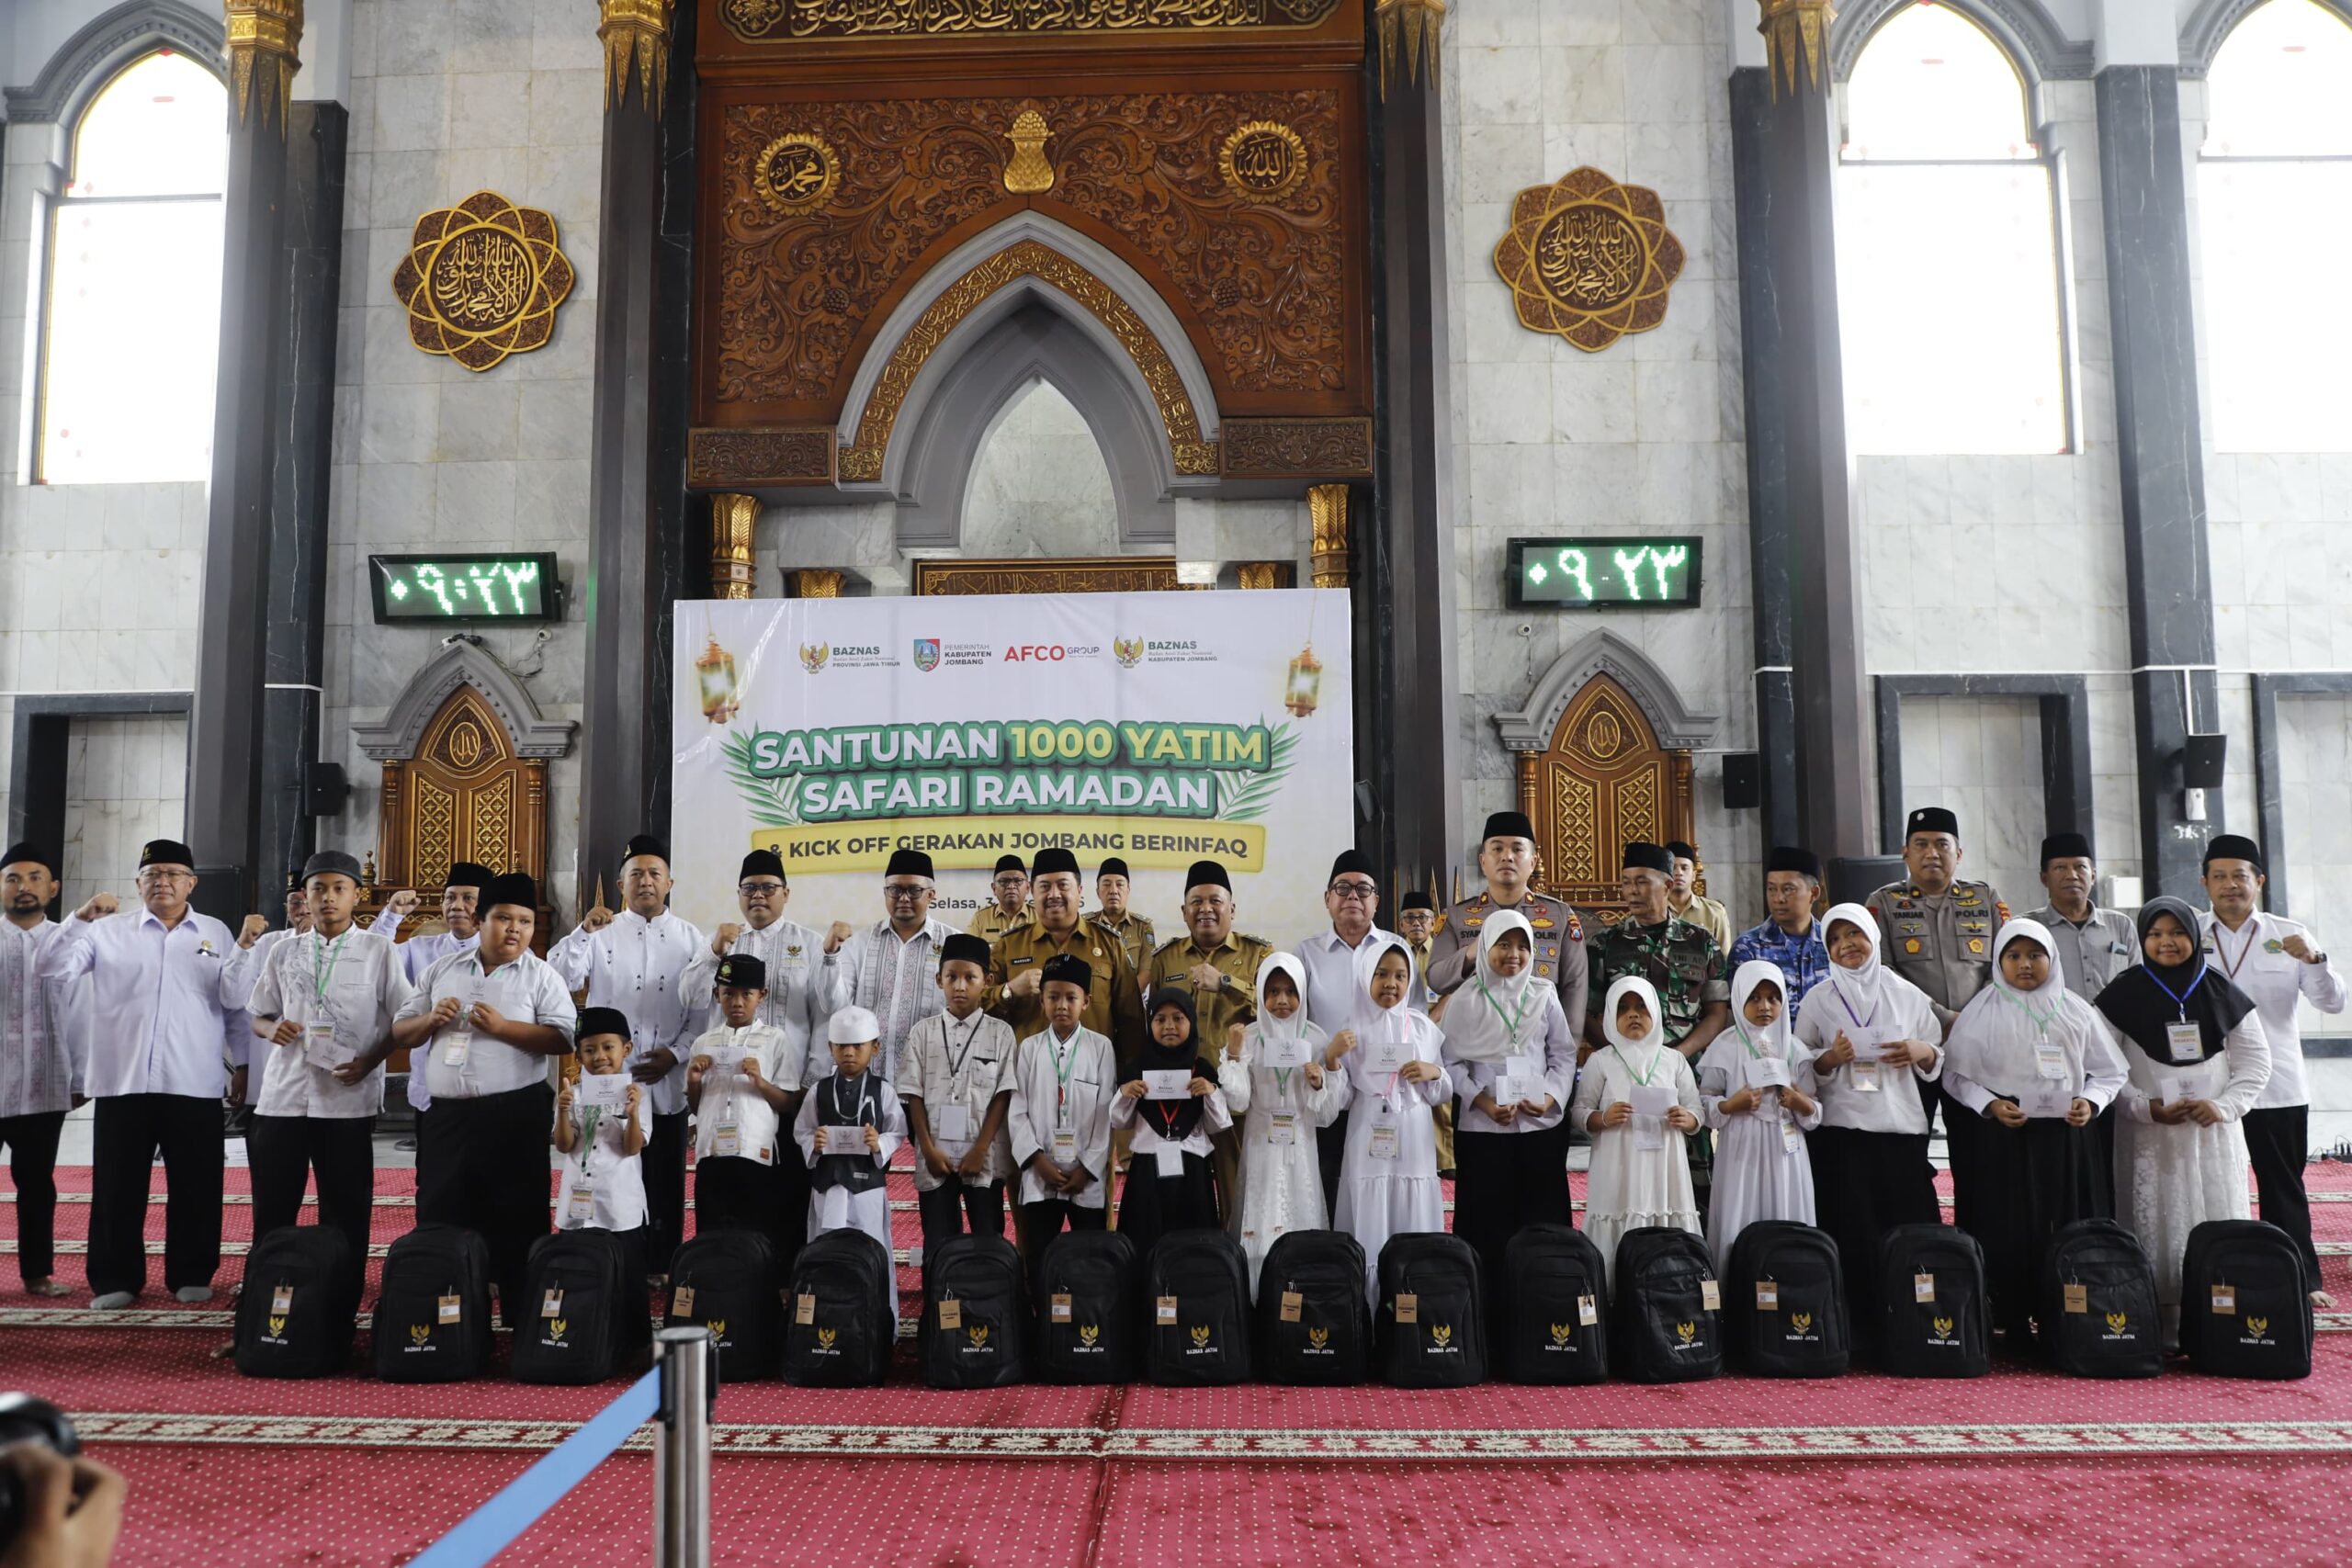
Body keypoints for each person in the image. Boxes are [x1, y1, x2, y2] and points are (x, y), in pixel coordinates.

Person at [40, 839, 241, 1308]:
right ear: (138, 883)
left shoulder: (215, 933)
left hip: (193, 1079)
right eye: (152, 875)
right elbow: (51, 972)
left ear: (192, 882)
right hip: (123, 1079)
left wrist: (245, 1064)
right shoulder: (107, 931)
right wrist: (79, 920)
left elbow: (234, 1006)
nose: (162, 882)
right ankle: (115, 1279)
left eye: (172, 873)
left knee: (197, 1185)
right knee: (116, 1186)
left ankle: (191, 1272)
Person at [385, 872, 575, 1322]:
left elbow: (564, 1038)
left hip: (513, 1114)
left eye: (525, 922)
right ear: (479, 919)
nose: (515, 929)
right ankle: (444, 1317)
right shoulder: (442, 970)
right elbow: (400, 1031)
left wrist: (503, 1028)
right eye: (504, 918)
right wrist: (431, 1021)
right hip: (448, 1116)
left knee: (517, 1213)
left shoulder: (541, 975)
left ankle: (518, 1315)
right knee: (440, 1208)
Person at [1941, 919, 2127, 1344]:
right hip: (2007, 1135)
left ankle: (2069, 1313)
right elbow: (1954, 1076)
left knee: (2067, 1223)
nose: (2025, 965)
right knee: (2006, 1225)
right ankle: (2011, 1314)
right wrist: (1988, 1104)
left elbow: (2112, 1072)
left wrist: (2091, 1101)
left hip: (2066, 1136)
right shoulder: (1982, 1009)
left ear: (2052, 958)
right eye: (2014, 956)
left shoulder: (2076, 1008)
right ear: (1999, 961)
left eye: (2035, 955)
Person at [2093, 897, 2270, 1338]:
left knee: (2215, 1216)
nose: (2166, 942)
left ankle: (2219, 1323)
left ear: (2194, 936)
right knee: (2154, 1219)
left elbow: (2256, 1063)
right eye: (2155, 934)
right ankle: (2158, 1323)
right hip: (2149, 1137)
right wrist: (2143, 1106)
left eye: (2176, 933)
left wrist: (2223, 1106)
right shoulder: (2121, 993)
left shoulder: (2220, 990)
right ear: (2142, 938)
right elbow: (2101, 1065)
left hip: (2212, 1134)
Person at [241, 850, 413, 1269]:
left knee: (346, 1212)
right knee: (273, 1209)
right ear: (306, 896)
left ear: (357, 895)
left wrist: (370, 1061)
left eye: (340, 889)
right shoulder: (283, 951)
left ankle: (339, 1304)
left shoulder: (380, 951)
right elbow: (258, 1015)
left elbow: (404, 1020)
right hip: (283, 1098)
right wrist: (271, 1029)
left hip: (345, 1100)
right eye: (319, 889)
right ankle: (266, 1305)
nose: (329, 898)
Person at [2199, 833, 2346, 1307]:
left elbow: (2333, 1002)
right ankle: (2211, 1274)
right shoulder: (2186, 933)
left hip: (2277, 1085)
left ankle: (2304, 1279)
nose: (2229, 886)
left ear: (2259, 881)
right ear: (2204, 882)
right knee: (2207, 1182)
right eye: (2219, 876)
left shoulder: (2289, 934)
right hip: (2209, 1083)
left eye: (2239, 876)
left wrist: (2316, 960)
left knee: (2283, 1183)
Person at [549, 834, 706, 1276]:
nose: (646, 881)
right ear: (621, 883)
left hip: (665, 1077)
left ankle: (663, 1262)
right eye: (636, 873)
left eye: (655, 873)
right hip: (607, 1080)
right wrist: (582, 931)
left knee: (664, 1176)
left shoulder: (691, 938)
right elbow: (560, 974)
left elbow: (700, 1014)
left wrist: (675, 1055)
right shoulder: (600, 933)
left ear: (670, 882)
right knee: (610, 1166)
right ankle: (614, 1257)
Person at [1792, 903, 1945, 1337]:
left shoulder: (1907, 993)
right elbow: (1802, 1067)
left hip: (1898, 1132)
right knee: (1852, 1232)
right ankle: (1858, 1328)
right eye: (1836, 939)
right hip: (1842, 1135)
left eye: (1854, 935)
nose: (1847, 946)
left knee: (1906, 1233)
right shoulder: (1818, 999)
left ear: (1873, 937)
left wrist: (1920, 1051)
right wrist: (1830, 1058)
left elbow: (1936, 1057)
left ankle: (1916, 1325)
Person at [1866, 807, 2011, 1243]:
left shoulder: (1985, 899)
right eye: (1922, 844)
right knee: (1909, 1156)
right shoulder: (1884, 903)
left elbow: (2006, 963)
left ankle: (1978, 1255)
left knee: (1981, 1157)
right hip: (1913, 1049)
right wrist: (1946, 1019)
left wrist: (1974, 1021)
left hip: (1978, 1050)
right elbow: (1884, 974)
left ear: (1959, 852)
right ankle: (1917, 1249)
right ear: (1905, 853)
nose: (1932, 853)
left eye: (1941, 844)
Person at [1439, 911, 1577, 1315]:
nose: (1513, 955)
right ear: (1484, 947)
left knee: (1542, 1224)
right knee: (1486, 1227)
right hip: (1483, 1131)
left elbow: (1564, 1055)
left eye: (1521, 946)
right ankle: (1486, 1319)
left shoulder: (1543, 993)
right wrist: (1481, 1102)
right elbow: (1450, 1062)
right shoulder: (1465, 998)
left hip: (1539, 1128)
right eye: (1503, 944)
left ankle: (1544, 1313)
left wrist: (1550, 1098)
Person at [1587, 841, 1730, 1217]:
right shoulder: (1606, 944)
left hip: (1685, 1079)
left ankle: (1695, 1261)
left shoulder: (1702, 943)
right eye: (1626, 882)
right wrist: (1620, 1059)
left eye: (1642, 882)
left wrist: (1675, 1058)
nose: (1632, 891)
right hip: (1624, 1083)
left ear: (1667, 886)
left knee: (1695, 1176)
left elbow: (1717, 1011)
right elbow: (1589, 1011)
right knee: (1629, 1177)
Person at [1145, 859, 1270, 1215]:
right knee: (1183, 1192)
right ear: (1184, 911)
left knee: (1238, 1193)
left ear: (1232, 907)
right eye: (1196, 902)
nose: (1206, 909)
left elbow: (1278, 1011)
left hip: (1235, 1097)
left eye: (1215, 900)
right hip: (1179, 1095)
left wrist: (1226, 983)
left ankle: (1237, 1263)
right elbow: (1153, 1023)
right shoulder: (1166, 958)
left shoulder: (1258, 954)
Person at [1330, 935, 1449, 1303]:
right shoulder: (1351, 1028)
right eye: (1381, 974)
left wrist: (1433, 1072)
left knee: (1408, 1209)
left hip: (1412, 1137)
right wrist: (1332, 1058)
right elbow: (1341, 1099)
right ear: (1366, 976)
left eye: (1400, 976)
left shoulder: (1423, 1027)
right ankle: (1366, 1308)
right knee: (1371, 1209)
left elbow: (1442, 1091)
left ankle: (1415, 1302)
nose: (1391, 984)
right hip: (1367, 1134)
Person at [1295, 851, 1412, 1219]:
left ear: (1377, 900)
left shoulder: (1396, 949)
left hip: (1382, 1095)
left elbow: (1414, 1017)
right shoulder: (1306, 953)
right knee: (1327, 1183)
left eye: (1363, 889)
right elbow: (1295, 1021)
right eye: (1342, 888)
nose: (1353, 897)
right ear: (1327, 899)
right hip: (1328, 1093)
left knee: (1379, 1192)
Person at [1222, 952, 1346, 1291]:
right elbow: (1237, 1100)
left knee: (1299, 1212)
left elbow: (1326, 1115)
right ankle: (1255, 1295)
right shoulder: (1248, 1036)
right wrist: (1233, 1056)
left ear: (1303, 994)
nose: (1282, 1001)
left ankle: (1302, 1291)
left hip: (1300, 1142)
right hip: (1261, 1139)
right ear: (1261, 993)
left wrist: (1319, 1082)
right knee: (1258, 1218)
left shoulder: (1317, 1038)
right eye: (1273, 991)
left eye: (1291, 992)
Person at [1573, 976, 1702, 1286]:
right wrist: (1603, 1117)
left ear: (1656, 1013)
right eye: (1624, 1008)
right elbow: (1579, 1113)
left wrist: (1688, 1119)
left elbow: (1697, 1110)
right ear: (1609, 1016)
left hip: (1664, 1167)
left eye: (1641, 1007)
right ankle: (1615, 1294)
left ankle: (1669, 1290)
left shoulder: (1674, 1061)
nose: (1633, 1014)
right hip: (1618, 1166)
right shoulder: (1600, 1061)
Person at [1006, 953, 1118, 1295]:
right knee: (1040, 1258)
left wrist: (1087, 1168)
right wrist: (1037, 1161)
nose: (1062, 1006)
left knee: (1091, 1259)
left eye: (1071, 997)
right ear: (1041, 1001)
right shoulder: (1029, 1049)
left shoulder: (1101, 1048)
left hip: (1086, 1176)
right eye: (1053, 997)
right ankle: (1044, 1329)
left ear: (1086, 1001)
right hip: (1041, 1174)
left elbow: (1106, 1115)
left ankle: (1090, 1327)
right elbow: (1017, 1111)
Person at [1698, 961, 1821, 1271]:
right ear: (1738, 999)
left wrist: (1798, 1101)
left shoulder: (1794, 1048)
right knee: (1740, 1213)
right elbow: (1704, 1104)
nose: (1764, 1006)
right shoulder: (1724, 1046)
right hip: (1742, 1147)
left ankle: (1792, 1294)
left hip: (1787, 1150)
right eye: (1753, 998)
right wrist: (1730, 1105)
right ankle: (1737, 1289)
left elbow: (1814, 1110)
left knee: (1786, 1214)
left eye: (1773, 998)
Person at [685, 954, 806, 1267]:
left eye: (746, 994)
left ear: (761, 996)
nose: (737, 1002)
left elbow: (787, 1102)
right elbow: (695, 1105)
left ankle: (754, 1301)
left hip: (755, 1151)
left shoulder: (775, 1039)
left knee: (755, 1232)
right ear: (717, 996)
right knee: (711, 1232)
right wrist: (693, 1079)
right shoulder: (704, 1041)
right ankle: (715, 1298)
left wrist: (760, 1081)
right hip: (711, 1150)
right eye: (728, 994)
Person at [900, 933, 1018, 1251]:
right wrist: (926, 1148)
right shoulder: (922, 1032)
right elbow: (913, 1094)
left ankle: (988, 1302)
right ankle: (940, 1302)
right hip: (935, 1156)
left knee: (988, 1240)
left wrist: (980, 1148)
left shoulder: (1001, 1033)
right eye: (952, 977)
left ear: (987, 981)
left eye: (970, 977)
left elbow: (1003, 1095)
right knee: (938, 1242)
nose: (960, 986)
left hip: (983, 1158)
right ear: (939, 980)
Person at [679, 851, 834, 1085]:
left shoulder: (810, 943)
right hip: (725, 1079)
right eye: (749, 888)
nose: (758, 895)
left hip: (789, 1081)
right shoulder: (718, 941)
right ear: (739, 894)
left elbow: (823, 1017)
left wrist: (812, 1080)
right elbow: (689, 999)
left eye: (768, 888)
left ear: (786, 893)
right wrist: (714, 953)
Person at [1428, 810, 1589, 1032]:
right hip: (1474, 1042)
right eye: (1497, 848)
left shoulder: (1560, 916)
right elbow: (1436, 979)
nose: (1507, 856)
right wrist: (1473, 952)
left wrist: (1566, 1052)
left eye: (1517, 849)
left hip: (1538, 1043)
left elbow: (1575, 988)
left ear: (1533, 862)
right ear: (1483, 862)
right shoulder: (1456, 916)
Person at [0, 844, 78, 1297]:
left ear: (53, 887)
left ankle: (36, 1274)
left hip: (44, 1083)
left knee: (36, 1184)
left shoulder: (70, 942)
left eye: (33, 878)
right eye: (13, 878)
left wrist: (82, 1077)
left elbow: (87, 1014)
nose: (23, 887)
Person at [986, 848, 1147, 1057]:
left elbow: (1131, 1022)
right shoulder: (1009, 945)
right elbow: (976, 1007)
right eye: (1045, 886)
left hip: (1095, 1077)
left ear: (1079, 890)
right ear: (1032, 891)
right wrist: (1009, 991)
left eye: (1063, 885)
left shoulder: (1110, 944)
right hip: (1028, 1077)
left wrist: (1128, 1077)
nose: (1054, 895)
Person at [369, 861, 493, 1129]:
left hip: (486, 1083)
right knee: (431, 1167)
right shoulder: (419, 949)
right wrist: (392, 916)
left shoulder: (503, 953)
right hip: (431, 1082)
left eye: (468, 898)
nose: (456, 905)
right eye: (450, 897)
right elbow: (372, 960)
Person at [1111, 989, 1231, 1263]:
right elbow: (1120, 1121)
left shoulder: (1202, 1069)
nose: (1169, 1026)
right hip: (1147, 1171)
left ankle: (1192, 1300)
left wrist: (1210, 1091)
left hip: (1193, 1171)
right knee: (1144, 1243)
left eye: (1178, 1018)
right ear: (1149, 1024)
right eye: (1160, 1019)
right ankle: (1145, 1302)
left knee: (1193, 1248)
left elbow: (1218, 1125)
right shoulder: (1137, 1068)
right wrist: (1125, 1094)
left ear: (1191, 1022)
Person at [820, 848, 957, 1085]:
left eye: (914, 890)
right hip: (869, 1082)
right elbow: (833, 1005)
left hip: (929, 1081)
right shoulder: (861, 942)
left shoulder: (952, 943)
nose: (903, 898)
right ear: (885, 893)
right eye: (895, 890)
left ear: (931, 895)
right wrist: (831, 954)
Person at [794, 1006, 906, 1255]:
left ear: (874, 1048)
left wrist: (879, 1143)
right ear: (830, 1048)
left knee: (868, 1251)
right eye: (841, 1046)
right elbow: (802, 1129)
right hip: (828, 1185)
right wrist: (815, 1141)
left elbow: (898, 1130)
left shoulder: (883, 1090)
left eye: (858, 1046)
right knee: (827, 1250)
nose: (849, 1053)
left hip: (867, 1189)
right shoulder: (818, 1090)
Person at [553, 1008, 650, 1293]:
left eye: (608, 1047)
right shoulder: (575, 1093)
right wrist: (562, 1111)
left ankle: (631, 1338)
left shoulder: (637, 1093)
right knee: (575, 1272)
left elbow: (632, 1148)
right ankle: (580, 1331)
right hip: (577, 1199)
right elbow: (564, 1145)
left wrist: (632, 1114)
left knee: (625, 1273)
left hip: (618, 1200)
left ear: (626, 1049)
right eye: (589, 1049)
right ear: (579, 1055)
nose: (600, 1056)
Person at [1727, 847, 1832, 1011]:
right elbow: (1744, 1015)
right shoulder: (1748, 948)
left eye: (1788, 889)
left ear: (1814, 893)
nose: (1778, 899)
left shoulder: (1831, 943)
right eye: (1771, 889)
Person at [1664, 840, 1733, 953]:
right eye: (1673, 868)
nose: (1678, 873)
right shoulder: (1653, 911)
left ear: (1694, 875)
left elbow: (1724, 958)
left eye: (1684, 868)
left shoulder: (1714, 912)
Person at [1093, 857, 1156, 976]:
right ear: (1098, 892)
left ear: (1128, 890)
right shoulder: (1087, 925)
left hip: (1132, 993)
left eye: (1120, 884)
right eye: (1106, 884)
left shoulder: (1143, 927)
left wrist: (1131, 994)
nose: (1113, 891)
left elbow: (1147, 970)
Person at [967, 853, 1035, 943]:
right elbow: (970, 955)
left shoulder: (1041, 917)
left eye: (1018, 881)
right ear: (994, 888)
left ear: (1028, 887)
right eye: (1004, 881)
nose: (1011, 886)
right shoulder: (980, 919)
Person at [1396, 890, 1438, 987]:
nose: (1416, 923)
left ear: (1433, 924)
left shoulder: (1443, 953)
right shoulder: (1394, 952)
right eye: (1410, 918)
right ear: (1401, 925)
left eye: (1422, 917)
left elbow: (1452, 990)